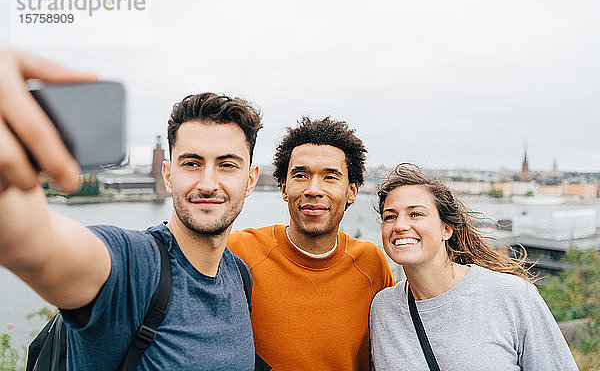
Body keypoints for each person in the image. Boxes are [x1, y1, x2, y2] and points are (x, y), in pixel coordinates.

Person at [0, 50, 262, 370]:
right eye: (191, 163)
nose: (207, 183)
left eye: (226, 165)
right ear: (167, 175)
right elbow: (31, 242)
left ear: (250, 180)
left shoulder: (240, 277)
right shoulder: (132, 267)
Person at [369, 164, 579, 370]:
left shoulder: (512, 296)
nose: (399, 225)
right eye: (390, 216)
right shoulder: (383, 309)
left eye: (415, 214)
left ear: (446, 228)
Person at [228, 117, 395, 371]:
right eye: (301, 175)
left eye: (330, 177)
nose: (314, 189)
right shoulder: (239, 250)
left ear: (352, 190)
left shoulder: (372, 263)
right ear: (284, 187)